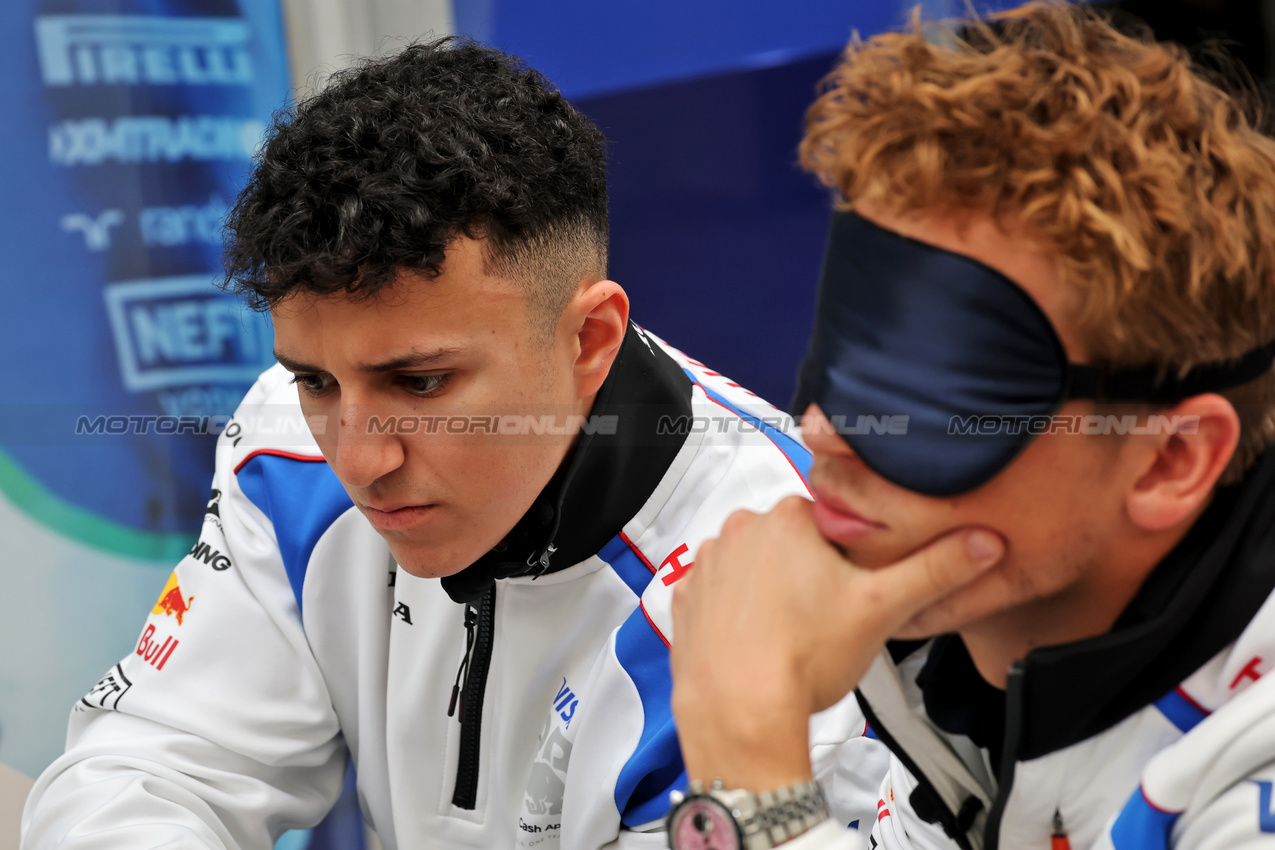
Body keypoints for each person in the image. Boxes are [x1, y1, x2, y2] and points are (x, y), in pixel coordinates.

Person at [21, 39, 818, 850]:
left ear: (588, 340)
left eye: (422, 383)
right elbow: (157, 766)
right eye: (315, 380)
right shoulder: (285, 448)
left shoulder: (787, 564)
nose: (358, 461)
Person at [667, 4, 1275, 850]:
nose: (822, 430)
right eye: (845, 348)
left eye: (937, 387)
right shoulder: (946, 657)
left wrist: (747, 767)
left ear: (1167, 460)